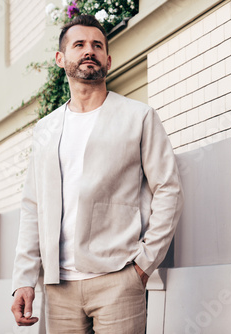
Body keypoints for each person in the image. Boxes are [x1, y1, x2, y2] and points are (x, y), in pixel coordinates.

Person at [10, 14, 184, 333]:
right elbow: (32, 206)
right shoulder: (45, 129)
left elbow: (168, 189)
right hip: (58, 286)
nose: (89, 50)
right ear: (61, 59)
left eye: (97, 45)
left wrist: (143, 266)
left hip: (118, 279)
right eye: (79, 44)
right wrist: (24, 279)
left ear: (108, 59)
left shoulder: (138, 117)